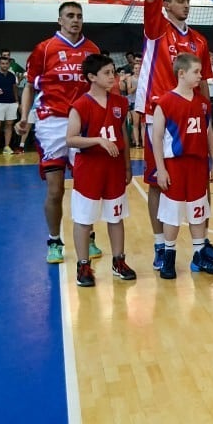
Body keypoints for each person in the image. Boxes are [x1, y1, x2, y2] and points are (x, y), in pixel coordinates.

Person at [135, 0, 213, 270]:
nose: (186, 4)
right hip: (160, 115)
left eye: (188, 0)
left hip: (194, 117)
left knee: (201, 178)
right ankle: (160, 245)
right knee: (159, 183)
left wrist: (209, 116)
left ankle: (201, 245)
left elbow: (203, 83)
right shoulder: (157, 27)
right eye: (180, 1)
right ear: (168, 5)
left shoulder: (198, 40)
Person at [17, 3, 101, 264]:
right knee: (55, 190)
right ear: (60, 20)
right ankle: (54, 240)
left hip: (83, 122)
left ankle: (88, 235)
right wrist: (24, 116)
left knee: (85, 188)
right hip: (52, 123)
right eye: (70, 16)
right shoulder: (45, 49)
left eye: (79, 16)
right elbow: (30, 86)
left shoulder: (92, 50)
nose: (75, 21)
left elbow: (100, 90)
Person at [65, 54, 136, 286]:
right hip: (90, 170)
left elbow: (122, 134)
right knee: (84, 220)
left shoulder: (119, 103)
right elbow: (71, 139)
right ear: (91, 77)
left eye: (113, 72)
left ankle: (119, 261)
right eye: (107, 73)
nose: (112, 77)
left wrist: (127, 166)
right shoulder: (81, 105)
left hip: (114, 169)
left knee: (116, 217)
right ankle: (83, 266)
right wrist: (97, 140)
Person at [152, 54, 213, 279]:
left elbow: (209, 132)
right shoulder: (165, 102)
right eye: (196, 72)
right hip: (175, 165)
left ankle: (199, 254)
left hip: (198, 165)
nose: (201, 76)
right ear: (181, 74)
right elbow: (156, 138)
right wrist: (161, 169)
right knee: (173, 215)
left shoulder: (203, 102)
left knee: (198, 212)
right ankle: (168, 257)